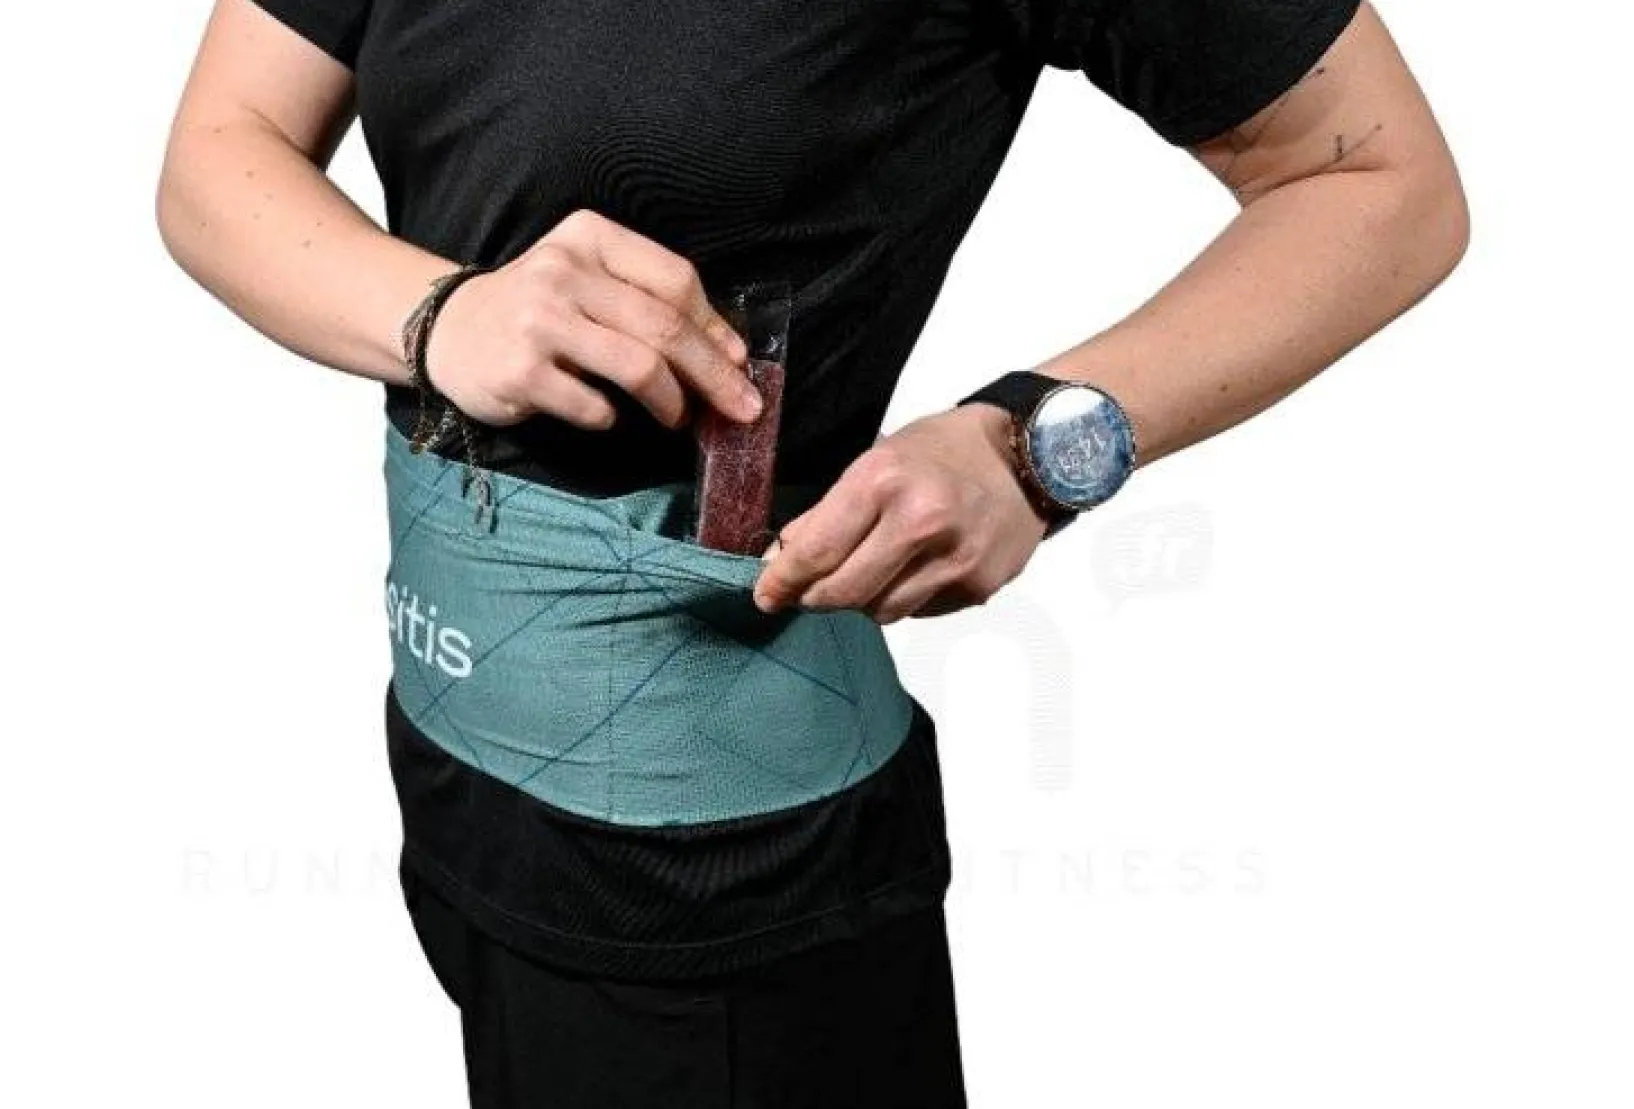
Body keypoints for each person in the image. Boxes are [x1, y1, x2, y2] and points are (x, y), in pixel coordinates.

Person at [156, 0, 1467, 1104]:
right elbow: (222, 148)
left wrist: (1033, 445)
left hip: (715, 869)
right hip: (459, 762)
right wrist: (438, 313)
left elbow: (1380, 183)